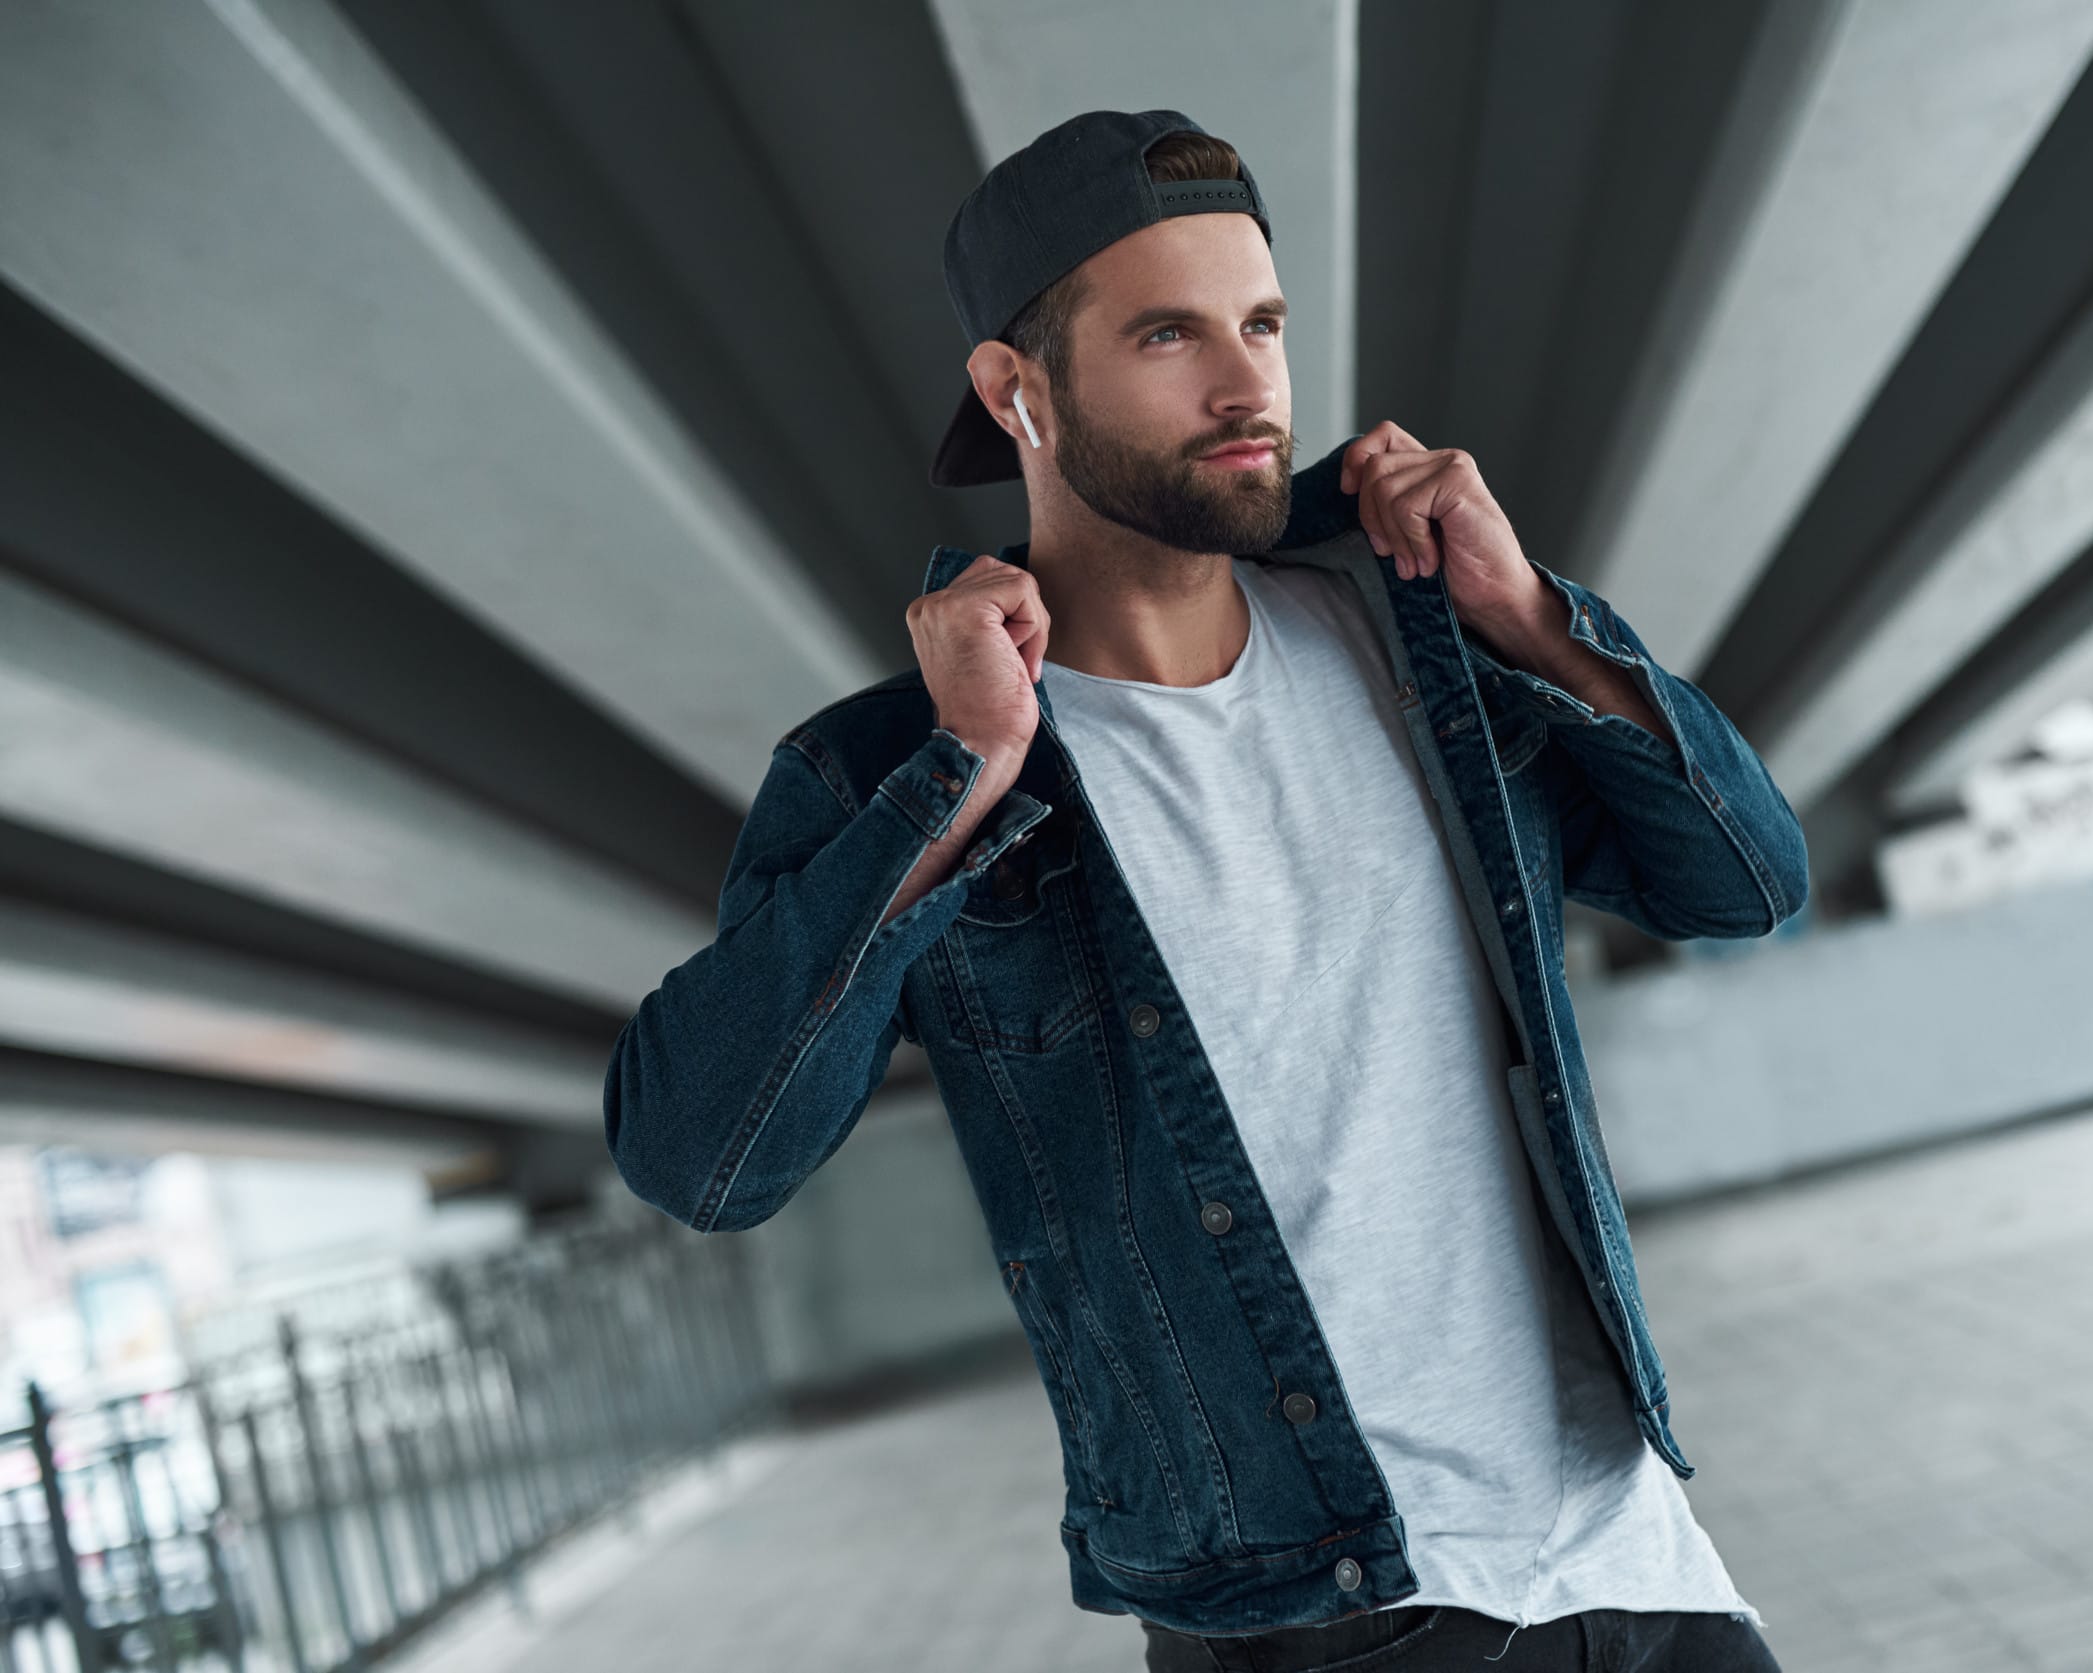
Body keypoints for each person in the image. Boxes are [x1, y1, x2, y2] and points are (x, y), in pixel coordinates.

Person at [603, 109, 1809, 1672]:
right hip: (1334, 1613)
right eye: (1170, 334)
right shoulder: (908, 764)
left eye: (1263, 324)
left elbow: (1746, 881)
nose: (1250, 387)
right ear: (1015, 390)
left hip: (1636, 1557)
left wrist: (1531, 615)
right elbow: (704, 1156)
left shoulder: (1421, 634)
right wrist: (961, 772)